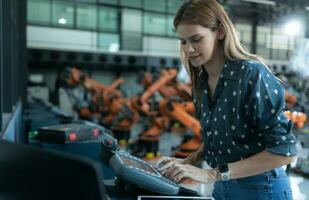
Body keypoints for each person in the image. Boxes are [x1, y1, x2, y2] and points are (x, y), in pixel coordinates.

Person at [155, 0, 297, 199]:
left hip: (261, 188)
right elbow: (221, 137)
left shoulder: (251, 75)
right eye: (183, 41)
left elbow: (285, 151)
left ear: (220, 32)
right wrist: (189, 161)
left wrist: (211, 173)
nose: (188, 50)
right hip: (223, 186)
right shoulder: (202, 80)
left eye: (196, 39)